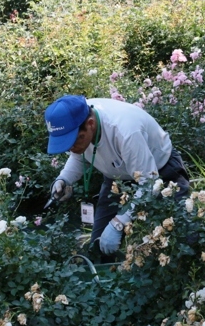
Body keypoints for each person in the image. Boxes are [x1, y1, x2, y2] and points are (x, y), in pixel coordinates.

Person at [44, 95, 190, 260]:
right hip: (117, 178)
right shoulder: (78, 117)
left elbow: (150, 184)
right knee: (98, 247)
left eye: (74, 141)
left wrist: (119, 223)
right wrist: (63, 179)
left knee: (180, 236)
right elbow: (79, 155)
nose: (71, 148)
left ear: (91, 124)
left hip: (161, 172)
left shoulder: (125, 131)